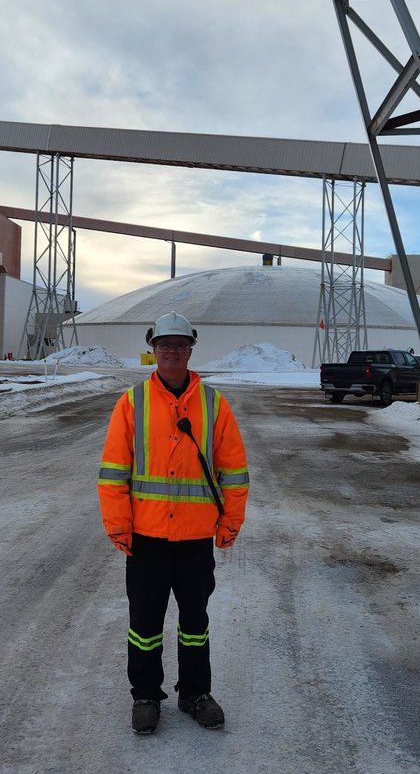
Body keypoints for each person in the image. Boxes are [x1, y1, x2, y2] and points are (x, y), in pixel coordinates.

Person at [97, 312, 250, 735]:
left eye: (179, 345)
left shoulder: (214, 404)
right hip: (146, 537)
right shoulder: (133, 402)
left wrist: (230, 522)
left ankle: (195, 694)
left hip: (195, 537)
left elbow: (234, 470)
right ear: (153, 347)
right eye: (164, 344)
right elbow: (113, 471)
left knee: (195, 622)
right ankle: (146, 696)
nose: (171, 351)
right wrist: (118, 524)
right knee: (144, 623)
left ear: (190, 350)